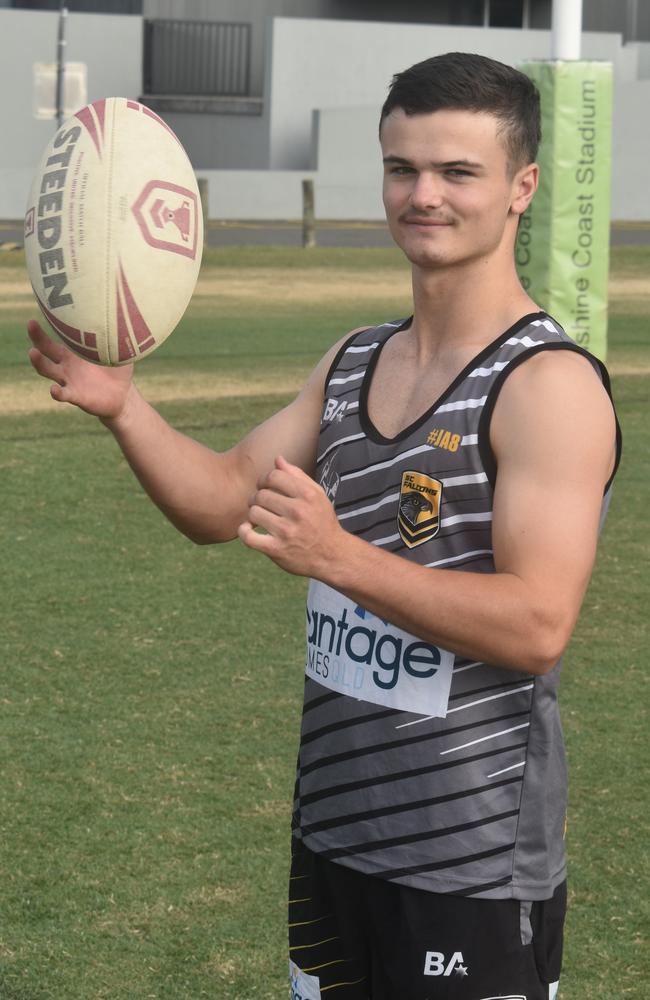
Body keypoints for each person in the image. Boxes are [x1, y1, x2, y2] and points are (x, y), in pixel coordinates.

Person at [28, 52, 620, 1000]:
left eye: (457, 172)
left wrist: (339, 557)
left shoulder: (546, 386)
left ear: (523, 186)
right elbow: (221, 502)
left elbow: (538, 624)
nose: (423, 195)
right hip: (335, 840)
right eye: (402, 168)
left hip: (465, 868)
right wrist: (124, 410)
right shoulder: (353, 361)